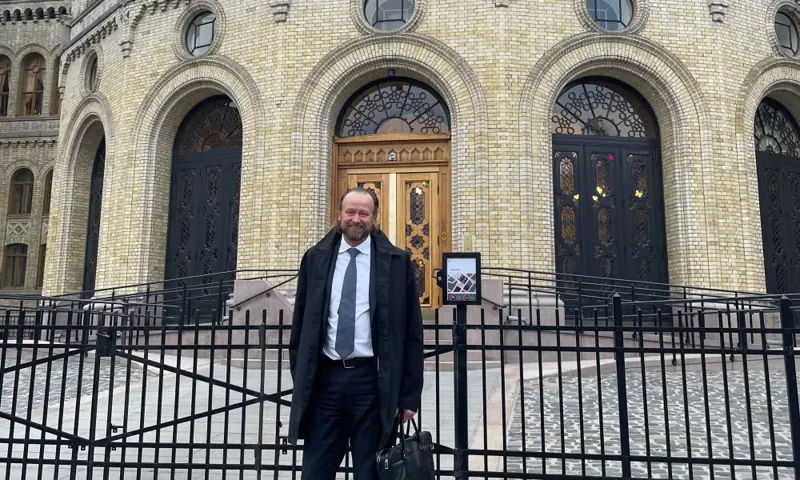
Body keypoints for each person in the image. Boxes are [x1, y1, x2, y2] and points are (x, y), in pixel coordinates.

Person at [287, 187, 425, 480]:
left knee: (370, 471)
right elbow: (301, 324)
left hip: (373, 382)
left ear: (374, 218)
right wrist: (301, 375)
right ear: (339, 215)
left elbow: (412, 333)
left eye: (364, 213)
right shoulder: (316, 258)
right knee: (315, 470)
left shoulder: (397, 262)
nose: (356, 219)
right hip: (327, 380)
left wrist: (409, 395)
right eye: (350, 212)